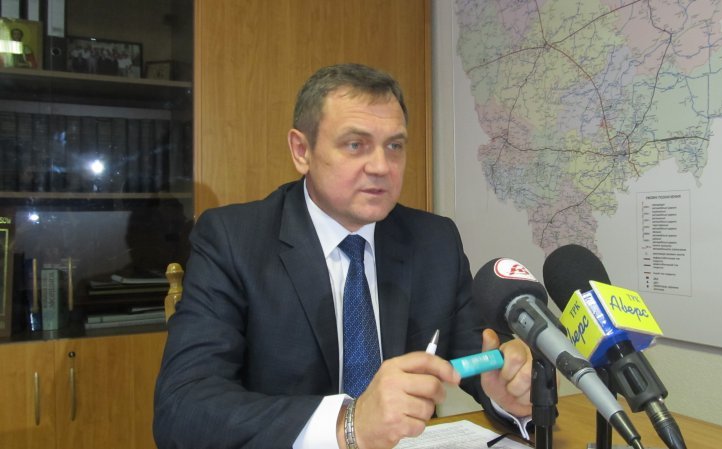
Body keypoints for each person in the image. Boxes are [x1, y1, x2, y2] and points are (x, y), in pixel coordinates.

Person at [153, 63, 534, 449]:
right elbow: (183, 408)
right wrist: (349, 424)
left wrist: (508, 394)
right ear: (302, 151)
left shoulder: (434, 241)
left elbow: (479, 358)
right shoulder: (233, 241)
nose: (381, 167)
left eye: (395, 146)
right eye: (355, 145)